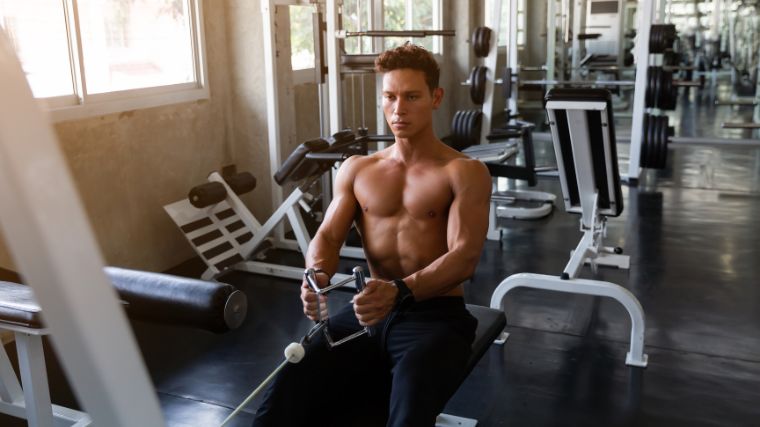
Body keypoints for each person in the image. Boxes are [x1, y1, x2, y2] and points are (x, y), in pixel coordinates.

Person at [252, 43, 491, 427]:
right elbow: (328, 238)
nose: (399, 109)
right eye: (390, 97)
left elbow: (465, 257)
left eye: (412, 96)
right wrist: (316, 277)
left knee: (407, 410)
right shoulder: (357, 169)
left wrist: (400, 290)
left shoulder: (464, 171)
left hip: (434, 317)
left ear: (436, 97)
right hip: (364, 316)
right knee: (284, 394)